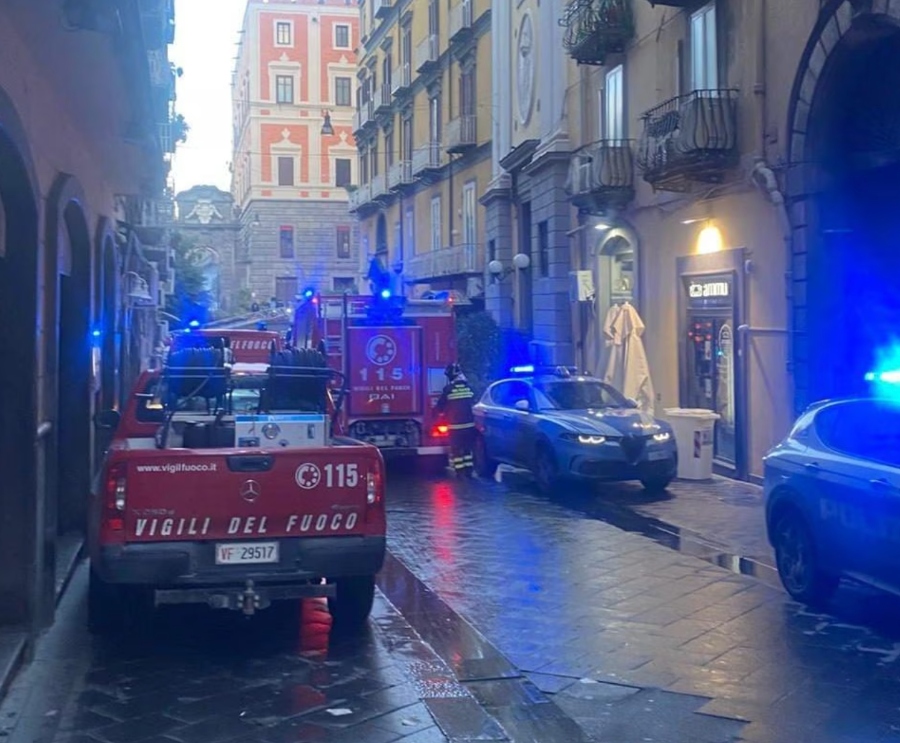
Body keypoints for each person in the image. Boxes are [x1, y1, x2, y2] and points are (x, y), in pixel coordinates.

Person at [434, 362, 476, 477]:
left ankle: (460, 472)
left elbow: (440, 407)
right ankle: (469, 472)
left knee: (456, 450)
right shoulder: (469, 388)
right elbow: (474, 402)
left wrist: (439, 414)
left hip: (455, 426)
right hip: (469, 425)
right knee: (467, 449)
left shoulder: (448, 389)